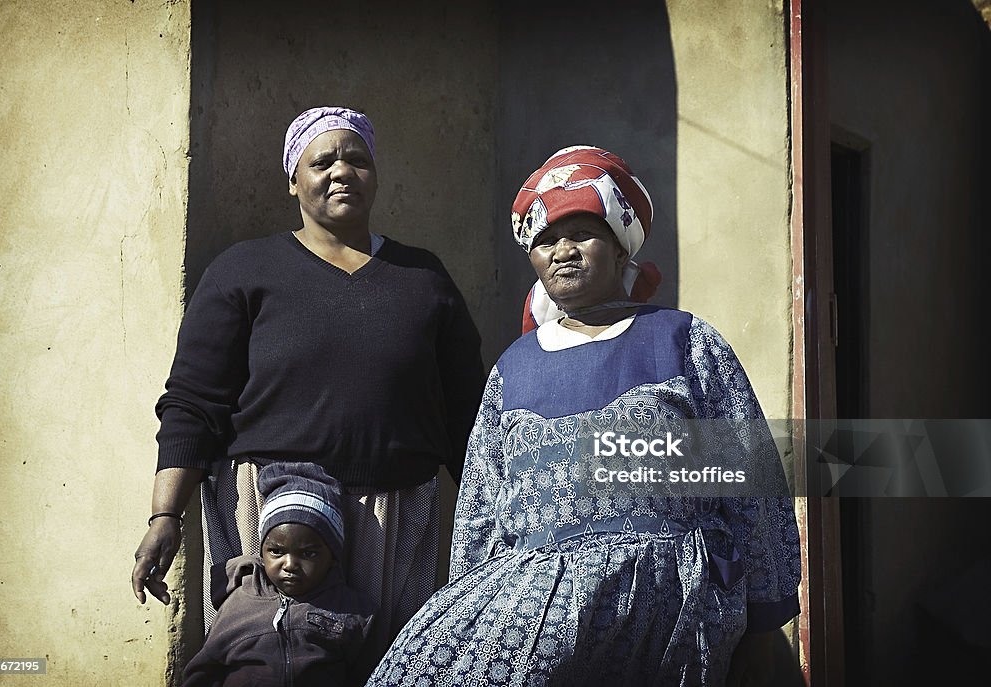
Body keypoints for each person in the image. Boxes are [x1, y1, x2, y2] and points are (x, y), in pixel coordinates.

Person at [367, 146, 801, 686]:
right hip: (536, 618)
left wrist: (764, 617)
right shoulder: (513, 370)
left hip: (668, 610)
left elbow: (751, 488)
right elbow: (480, 513)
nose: (562, 251)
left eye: (581, 234)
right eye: (545, 239)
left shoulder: (683, 344)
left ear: (621, 250)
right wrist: (473, 605)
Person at [130, 106, 485, 679]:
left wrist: (495, 521)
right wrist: (163, 515)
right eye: (322, 161)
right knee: (272, 661)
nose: (342, 171)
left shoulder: (424, 277)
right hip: (268, 513)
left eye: (357, 160)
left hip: (392, 515)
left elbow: (470, 413)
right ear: (293, 178)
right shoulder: (245, 270)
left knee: (391, 663)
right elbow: (193, 401)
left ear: (375, 176)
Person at [183, 462, 372, 686]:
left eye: (309, 553)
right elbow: (205, 668)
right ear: (262, 552)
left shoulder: (354, 612)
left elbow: (368, 675)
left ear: (333, 557)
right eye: (277, 551)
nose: (290, 564)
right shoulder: (239, 605)